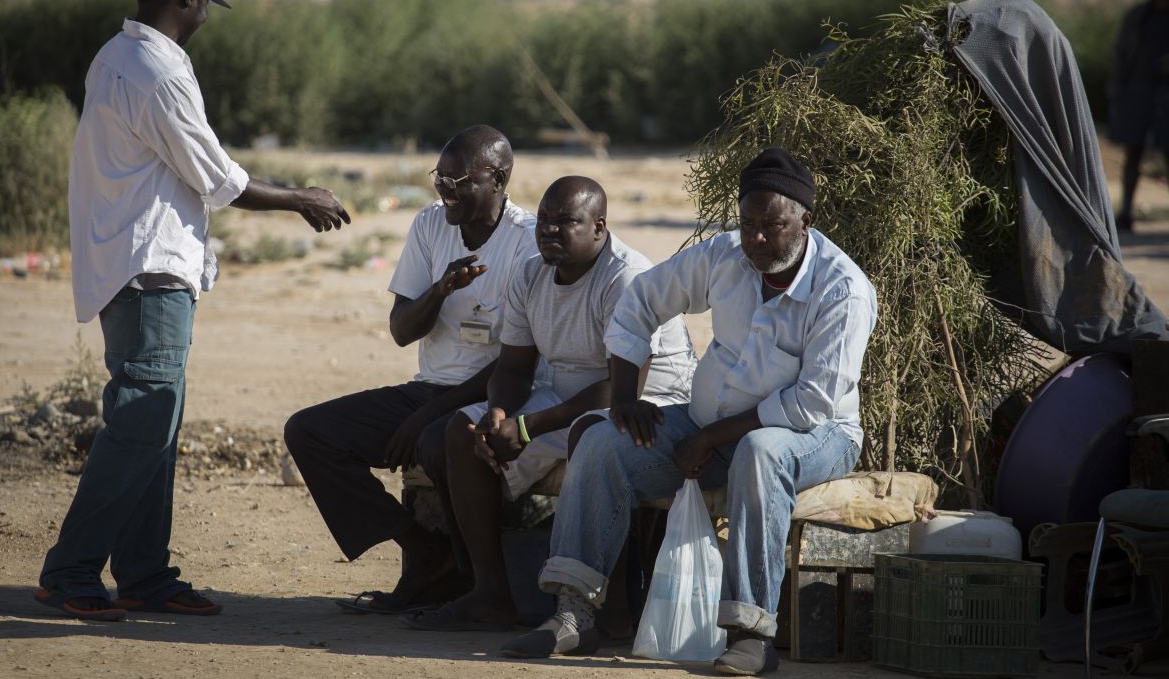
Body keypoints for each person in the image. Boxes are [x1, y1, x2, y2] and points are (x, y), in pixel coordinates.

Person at [38, 0, 351, 622]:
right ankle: (70, 571)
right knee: (142, 423)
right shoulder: (157, 73)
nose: (206, 17)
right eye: (205, 5)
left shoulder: (115, 55)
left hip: (129, 264)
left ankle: (145, 574)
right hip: (149, 271)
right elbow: (217, 178)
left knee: (155, 425)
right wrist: (300, 198)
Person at [503, 148, 877, 676]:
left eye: (771, 227)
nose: (756, 239)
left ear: (804, 222)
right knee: (602, 441)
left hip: (816, 434)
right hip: (712, 426)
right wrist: (626, 397)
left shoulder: (843, 290)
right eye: (747, 225)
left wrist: (709, 438)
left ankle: (752, 634)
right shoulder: (724, 256)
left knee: (760, 452)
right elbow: (640, 302)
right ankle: (574, 613)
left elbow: (810, 403)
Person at [402, 176, 696, 633]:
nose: (550, 230)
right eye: (543, 220)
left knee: (593, 436)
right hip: (566, 393)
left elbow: (620, 388)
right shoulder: (531, 273)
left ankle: (612, 605)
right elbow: (514, 368)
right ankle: (491, 594)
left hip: (647, 400)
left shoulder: (625, 277)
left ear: (599, 227)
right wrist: (499, 415)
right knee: (463, 432)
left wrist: (527, 429)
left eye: (566, 221)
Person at [283, 125, 538, 614]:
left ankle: (475, 582)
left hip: (493, 396)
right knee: (310, 433)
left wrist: (428, 415)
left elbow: (521, 363)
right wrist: (439, 291)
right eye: (439, 178)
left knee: (436, 440)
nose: (445, 191)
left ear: (498, 179)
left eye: (458, 181)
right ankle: (426, 553)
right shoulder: (429, 224)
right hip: (429, 391)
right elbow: (402, 330)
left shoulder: (526, 242)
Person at [1111, 0, 1169, 232]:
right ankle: (1125, 211)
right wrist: (1117, 88)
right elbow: (1121, 52)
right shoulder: (1139, 16)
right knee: (1133, 151)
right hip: (1139, 90)